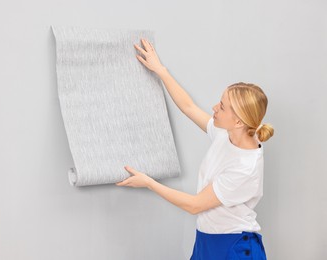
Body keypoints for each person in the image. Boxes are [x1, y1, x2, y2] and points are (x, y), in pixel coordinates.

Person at [116, 38, 274, 259]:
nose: (214, 108)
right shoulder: (227, 133)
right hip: (207, 240)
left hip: (234, 247)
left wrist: (149, 183)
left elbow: (194, 205)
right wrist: (160, 70)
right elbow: (188, 107)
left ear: (238, 121)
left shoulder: (245, 167)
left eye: (222, 107)